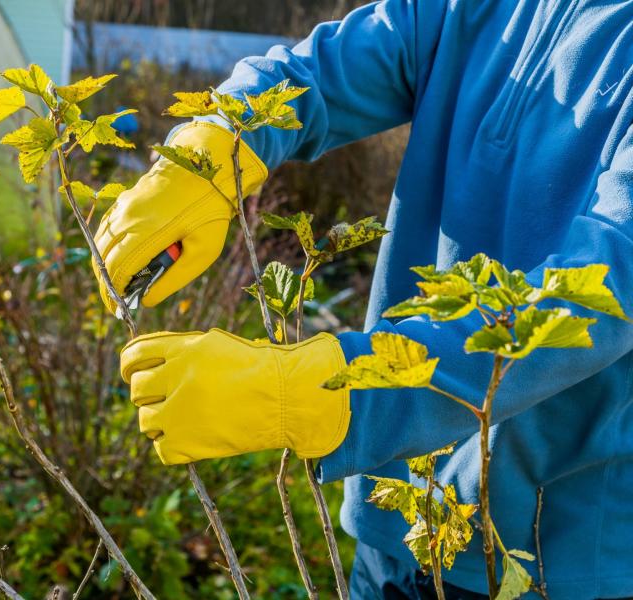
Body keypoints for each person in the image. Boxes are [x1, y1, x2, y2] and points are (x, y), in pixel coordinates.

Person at [90, 1, 633, 598]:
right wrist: (215, 146)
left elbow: (601, 291)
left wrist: (332, 393)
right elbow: (323, 70)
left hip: (553, 559)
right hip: (395, 519)